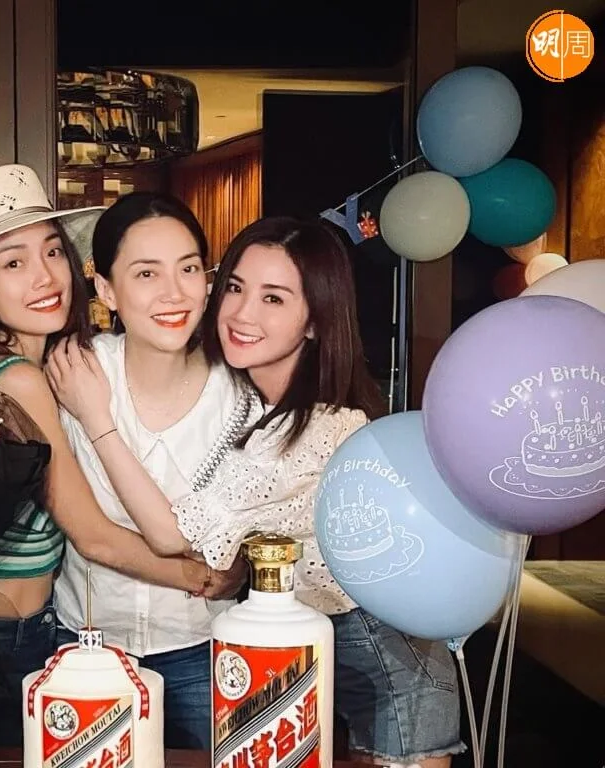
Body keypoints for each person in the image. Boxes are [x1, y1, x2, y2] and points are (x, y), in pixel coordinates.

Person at [47, 215, 464, 767]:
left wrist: (96, 419)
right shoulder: (251, 401)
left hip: (393, 663)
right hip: (314, 646)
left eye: (274, 299)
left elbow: (172, 535)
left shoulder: (313, 428)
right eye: (236, 289)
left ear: (314, 322)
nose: (243, 313)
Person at [0, 165, 243, 748]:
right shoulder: (21, 379)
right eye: (13, 263)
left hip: (23, 628)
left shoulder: (41, 368)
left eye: (52, 252)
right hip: (13, 637)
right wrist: (202, 576)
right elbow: (92, 536)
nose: (45, 276)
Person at [44, 192, 259, 750]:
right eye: (146, 273)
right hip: (88, 647)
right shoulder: (73, 375)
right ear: (107, 289)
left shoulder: (242, 399)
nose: (173, 293)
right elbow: (87, 530)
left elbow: (238, 542)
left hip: (204, 647)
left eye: (188, 268)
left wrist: (233, 566)